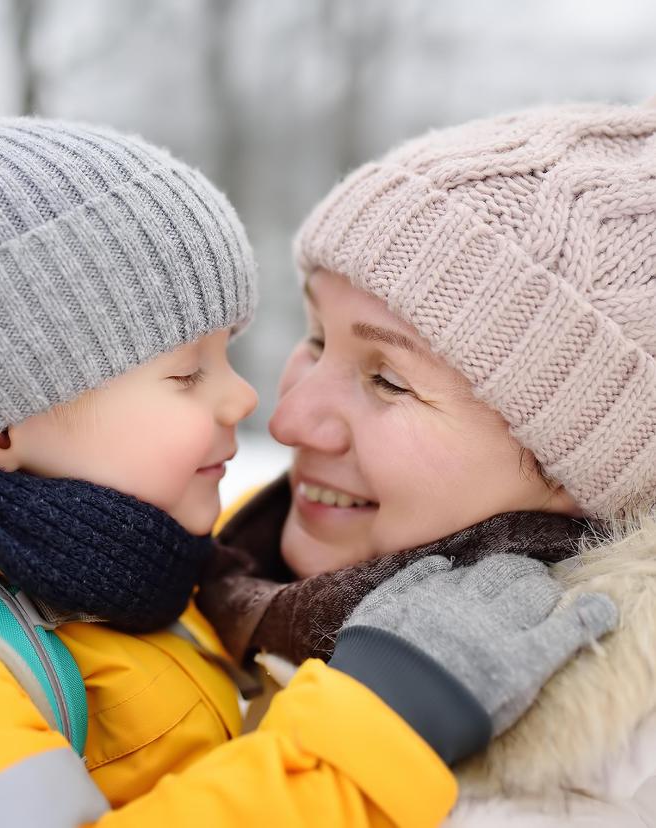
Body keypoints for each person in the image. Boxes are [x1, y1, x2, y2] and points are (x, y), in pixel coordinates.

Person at [0, 111, 612, 828]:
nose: (252, 405)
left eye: (230, 352)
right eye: (185, 372)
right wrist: (376, 732)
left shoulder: (92, 564)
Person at [198, 99, 656, 824]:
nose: (287, 420)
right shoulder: (163, 579)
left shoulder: (597, 787)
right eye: (316, 338)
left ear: (576, 464)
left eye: (387, 379)